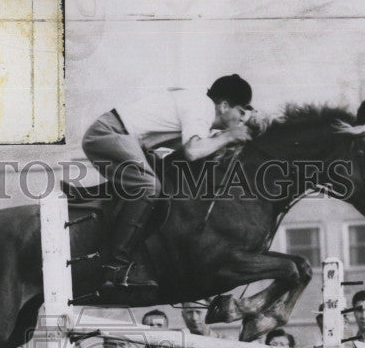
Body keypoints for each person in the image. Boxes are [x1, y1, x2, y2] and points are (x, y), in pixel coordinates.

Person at [82, 75, 255, 292]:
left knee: (162, 185)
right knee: (148, 187)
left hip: (123, 136)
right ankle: (115, 266)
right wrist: (228, 137)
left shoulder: (203, 115)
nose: (243, 119)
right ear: (224, 106)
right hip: (108, 133)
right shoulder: (201, 106)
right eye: (241, 111)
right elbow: (192, 152)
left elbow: (189, 153)